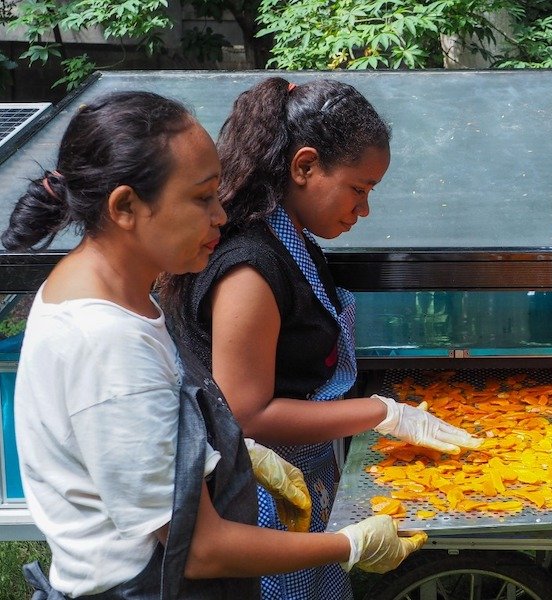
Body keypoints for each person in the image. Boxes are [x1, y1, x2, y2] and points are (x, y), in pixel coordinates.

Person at [3, 91, 425, 599]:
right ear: (126, 207)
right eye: (202, 198)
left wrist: (231, 450)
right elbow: (202, 550)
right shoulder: (108, 347)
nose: (221, 216)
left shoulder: (117, 300)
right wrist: (349, 543)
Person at [157, 77, 482, 600]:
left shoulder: (292, 242)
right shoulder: (250, 268)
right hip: (256, 498)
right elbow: (245, 412)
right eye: (359, 189)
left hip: (299, 475)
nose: (364, 210)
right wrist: (384, 414)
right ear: (304, 167)